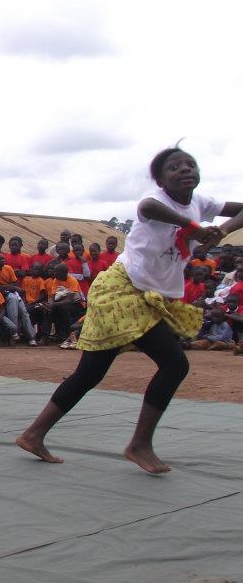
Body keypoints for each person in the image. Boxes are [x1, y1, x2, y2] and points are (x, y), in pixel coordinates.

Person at [17, 146, 242, 474]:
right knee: (174, 364)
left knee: (90, 373)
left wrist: (221, 230)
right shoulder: (158, 200)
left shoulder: (203, 202)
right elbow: (147, 207)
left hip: (148, 296)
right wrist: (192, 226)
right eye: (174, 167)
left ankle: (34, 434)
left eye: (190, 164)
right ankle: (138, 445)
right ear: (160, 179)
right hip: (121, 291)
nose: (184, 170)